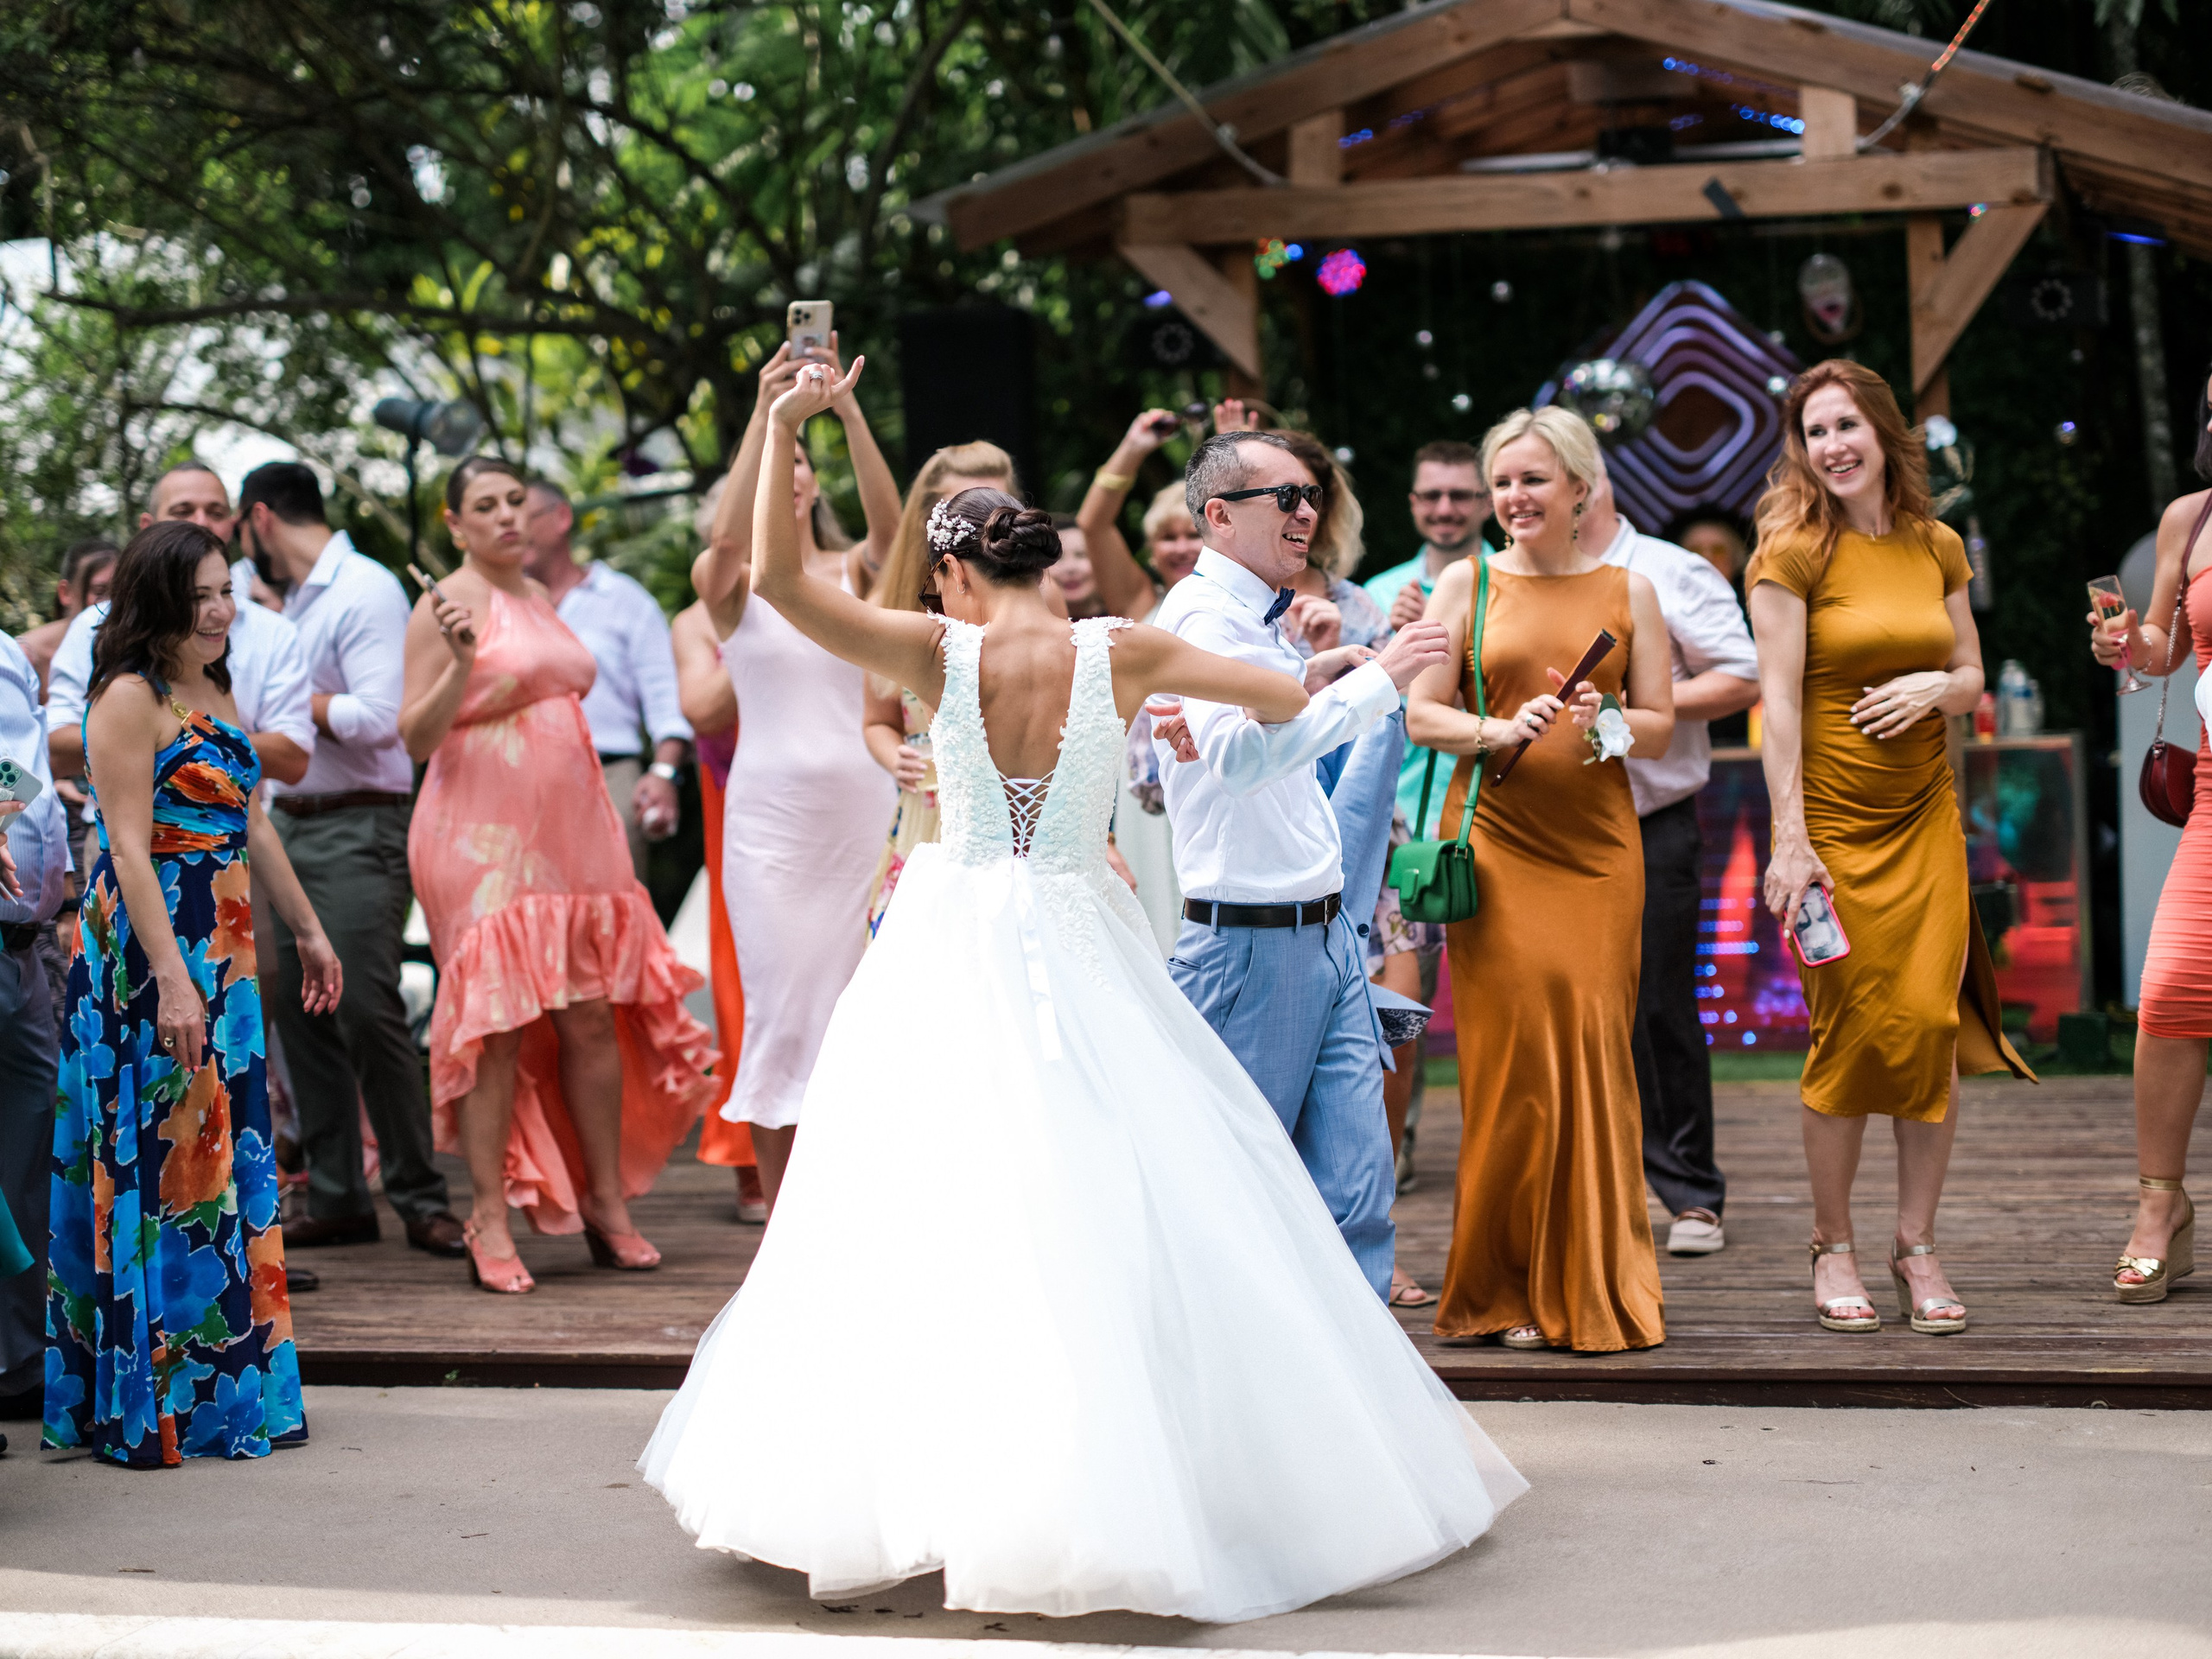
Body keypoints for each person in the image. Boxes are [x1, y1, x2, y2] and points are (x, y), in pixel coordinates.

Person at [639, 359, 1527, 1619]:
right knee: (1117, 1186)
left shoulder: (932, 648)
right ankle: (1142, 1476)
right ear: (1044, 563)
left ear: (954, 572)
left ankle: (915, 1485)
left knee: (916, 1195)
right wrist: (1375, 664)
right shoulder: (1123, 648)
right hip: (1079, 933)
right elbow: (1287, 705)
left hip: (950, 936)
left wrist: (788, 420)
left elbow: (777, 585)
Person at [46, 521, 343, 1465]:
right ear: (159, 600)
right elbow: (126, 851)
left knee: (221, 1154)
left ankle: (222, 1388)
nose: (220, 611)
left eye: (226, 593)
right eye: (201, 596)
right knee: (168, 1154)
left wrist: (307, 929)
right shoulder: (127, 697)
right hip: (152, 953)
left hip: (227, 949)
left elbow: (251, 821)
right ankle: (158, 1396)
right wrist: (173, 980)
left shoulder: (211, 683)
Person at [1747, 359, 2031, 1338]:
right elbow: (1777, 707)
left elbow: (1971, 673)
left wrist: (1937, 689)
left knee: (1927, 1026)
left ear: (1881, 430)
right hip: (1830, 830)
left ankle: (1917, 1245)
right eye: (1814, 431)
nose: (1832, 446)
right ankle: (1832, 1244)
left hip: (1924, 821)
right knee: (1851, 1032)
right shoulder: (1790, 551)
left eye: (1846, 425)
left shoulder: (1935, 543)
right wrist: (1788, 841)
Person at [401, 455, 716, 1290]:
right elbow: (415, 738)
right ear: (455, 524)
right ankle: (489, 1217)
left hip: (576, 834)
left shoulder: (539, 594)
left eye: (516, 500)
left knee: (590, 1016)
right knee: (496, 1027)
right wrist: (461, 662)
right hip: (479, 838)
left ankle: (606, 1202)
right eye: (486, 505)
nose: (508, 514)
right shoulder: (442, 605)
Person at [1150, 429, 1451, 1300]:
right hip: (1250, 947)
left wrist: (1317, 674)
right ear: (1218, 516)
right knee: (1237, 1187)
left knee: (1359, 1189)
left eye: (1311, 495)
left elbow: (1260, 725)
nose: (1307, 512)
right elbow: (1240, 761)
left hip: (1325, 935)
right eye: (1285, 497)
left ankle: (1357, 1371)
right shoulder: (1205, 618)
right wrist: (1380, 680)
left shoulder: (1254, 618)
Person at [1407, 406, 1675, 1353]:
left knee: (1594, 1049)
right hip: (1498, 845)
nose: (1514, 497)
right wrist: (1495, 729)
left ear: (1579, 488)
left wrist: (1607, 721)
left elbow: (1661, 727)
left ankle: (1589, 1279)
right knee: (1514, 1064)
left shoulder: (1631, 590)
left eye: (1532, 480)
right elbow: (1420, 715)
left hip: (1599, 855)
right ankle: (1503, 1288)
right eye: (1503, 482)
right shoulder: (1465, 582)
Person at [232, 461, 466, 1260]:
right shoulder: (293, 602)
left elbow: (380, 718)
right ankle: (337, 1195)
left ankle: (421, 1196)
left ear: (260, 518)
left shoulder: (364, 588)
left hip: (361, 821)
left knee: (367, 1005)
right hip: (285, 822)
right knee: (299, 1009)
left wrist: (286, 708)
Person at [696, 344, 899, 1217]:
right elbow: (726, 540)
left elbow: (896, 533)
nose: (790, 478)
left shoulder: (858, 573)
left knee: (862, 1007)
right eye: (781, 465)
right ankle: (782, 1221)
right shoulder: (730, 584)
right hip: (771, 828)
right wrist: (766, 415)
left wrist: (845, 412)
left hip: (866, 816)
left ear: (816, 484)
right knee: (782, 1009)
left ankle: (859, 1203)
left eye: (802, 465)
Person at [1582, 454, 1762, 1256]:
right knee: (1563, 1006)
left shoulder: (1671, 570)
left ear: (1590, 481)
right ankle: (1586, 1190)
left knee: (1657, 1005)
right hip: (1543, 824)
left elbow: (1743, 676)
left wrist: (1635, 708)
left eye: (1547, 476)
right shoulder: (1505, 577)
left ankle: (1690, 1193)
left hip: (1649, 815)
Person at [2087, 357, 2212, 1304]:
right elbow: (2166, 650)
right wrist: (2126, 643)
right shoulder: (2191, 520)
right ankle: (2159, 1208)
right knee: (2171, 986)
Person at [863, 442, 1020, 938]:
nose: (983, 526)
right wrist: (893, 756)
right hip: (924, 808)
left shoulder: (1040, 597)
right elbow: (877, 721)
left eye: (998, 511)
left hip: (1007, 810)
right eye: (966, 511)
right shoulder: (889, 603)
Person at [1078, 414, 1207, 952]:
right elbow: (1093, 525)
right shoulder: (1138, 602)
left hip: (1218, 773)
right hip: (1149, 792)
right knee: (1156, 912)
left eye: (1192, 535)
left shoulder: (1244, 606)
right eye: (1166, 537)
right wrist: (1133, 447)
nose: (1179, 548)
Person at [523, 479, 694, 881]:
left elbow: (666, 697)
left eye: (524, 516)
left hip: (610, 777)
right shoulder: (500, 606)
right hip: (521, 784)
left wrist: (664, 773)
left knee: (612, 909)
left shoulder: (622, 598)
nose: (512, 528)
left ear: (562, 517)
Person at [671, 586, 763, 1221]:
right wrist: (762, 637)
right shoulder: (697, 620)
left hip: (839, 779)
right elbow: (703, 711)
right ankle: (754, 1150)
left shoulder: (840, 579)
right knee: (745, 968)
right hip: (741, 792)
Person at [0, 631, 69, 1424]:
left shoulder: (9, 656)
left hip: (24, 942)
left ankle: (18, 1363)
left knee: (29, 1157)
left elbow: (24, 771)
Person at [15, 539, 118, 699]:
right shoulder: (23, 655)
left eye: (120, 592)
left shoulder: (129, 648)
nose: (110, 604)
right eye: (100, 592)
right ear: (66, 593)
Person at [1666, 505, 1751, 592]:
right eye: (1696, 551)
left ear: (1736, 559)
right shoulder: (1665, 599)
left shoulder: (1753, 599)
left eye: (1718, 550)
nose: (1707, 558)